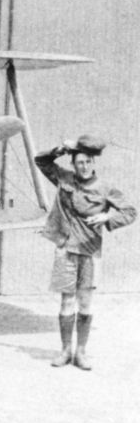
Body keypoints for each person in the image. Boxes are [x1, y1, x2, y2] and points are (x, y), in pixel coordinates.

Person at [34, 134, 136, 370]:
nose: (84, 166)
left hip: (90, 252)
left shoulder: (105, 188)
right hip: (66, 249)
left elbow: (130, 211)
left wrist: (108, 216)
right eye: (80, 162)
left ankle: (81, 352)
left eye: (88, 161)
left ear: (94, 163)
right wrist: (60, 149)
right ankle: (65, 351)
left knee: (86, 302)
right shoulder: (64, 178)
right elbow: (41, 161)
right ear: (74, 164)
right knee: (66, 302)